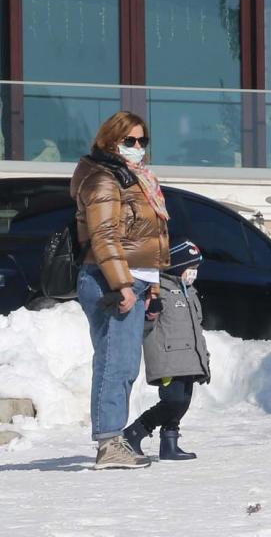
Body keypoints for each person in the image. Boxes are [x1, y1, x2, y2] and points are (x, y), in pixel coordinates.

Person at [71, 111, 170, 469]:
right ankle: (109, 442)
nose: (138, 147)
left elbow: (148, 235)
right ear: (110, 140)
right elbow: (104, 236)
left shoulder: (134, 178)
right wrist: (123, 284)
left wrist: (152, 283)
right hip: (110, 279)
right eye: (129, 141)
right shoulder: (102, 179)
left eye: (142, 141)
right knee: (116, 362)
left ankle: (111, 439)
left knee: (124, 362)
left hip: (136, 277)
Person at [122, 241, 210, 461]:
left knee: (184, 402)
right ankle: (134, 432)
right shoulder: (158, 290)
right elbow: (145, 324)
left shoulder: (191, 293)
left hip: (189, 359)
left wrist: (204, 359)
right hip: (167, 357)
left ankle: (169, 444)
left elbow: (196, 330)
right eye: (191, 267)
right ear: (178, 266)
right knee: (173, 401)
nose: (194, 273)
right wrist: (149, 313)